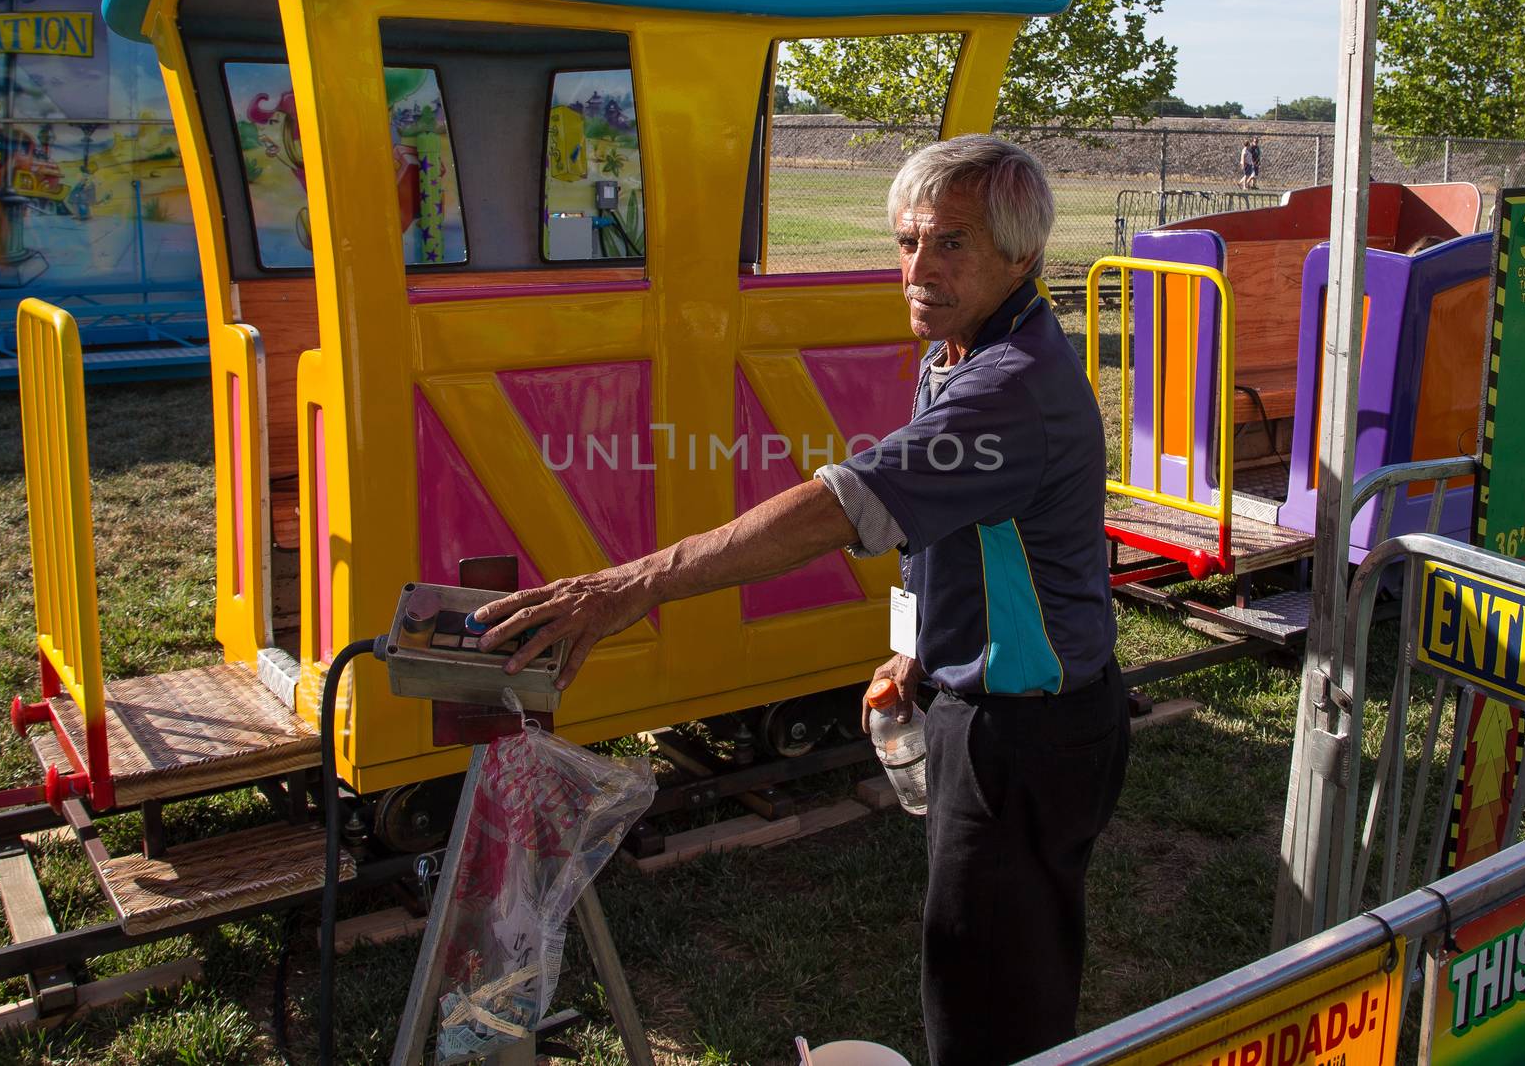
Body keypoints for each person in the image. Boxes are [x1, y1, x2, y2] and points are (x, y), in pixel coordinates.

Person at [471, 134, 1130, 1065]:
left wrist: (630, 587)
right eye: (907, 241)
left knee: (990, 1000)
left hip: (1026, 731)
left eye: (950, 244)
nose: (918, 268)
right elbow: (939, 533)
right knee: (978, 957)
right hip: (979, 703)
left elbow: (839, 507)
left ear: (1022, 253)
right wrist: (914, 646)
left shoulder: (1010, 386)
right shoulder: (963, 345)